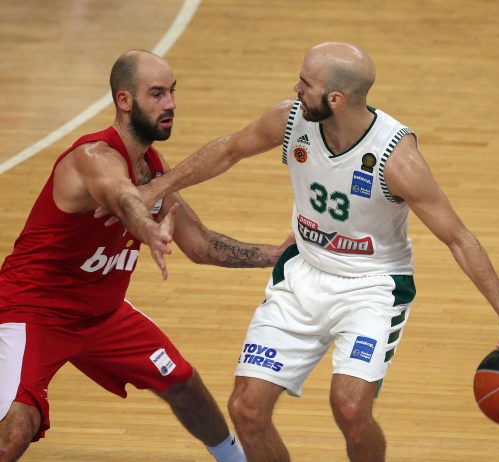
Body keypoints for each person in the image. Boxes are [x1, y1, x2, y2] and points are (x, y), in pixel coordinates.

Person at [131, 41, 499, 462]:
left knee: (351, 408)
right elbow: (229, 149)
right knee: (245, 409)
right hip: (303, 274)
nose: (296, 89)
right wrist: (157, 188)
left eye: (306, 83)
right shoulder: (290, 119)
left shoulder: (397, 160)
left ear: (336, 99)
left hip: (372, 287)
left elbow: (458, 238)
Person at [0, 49, 294, 462]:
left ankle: (234, 459)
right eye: (157, 93)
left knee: (183, 383)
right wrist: (149, 229)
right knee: (15, 433)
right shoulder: (93, 158)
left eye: (172, 92)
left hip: (102, 313)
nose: (170, 103)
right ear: (125, 100)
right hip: (35, 311)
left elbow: (201, 244)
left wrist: (276, 254)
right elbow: (124, 199)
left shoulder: (153, 167)